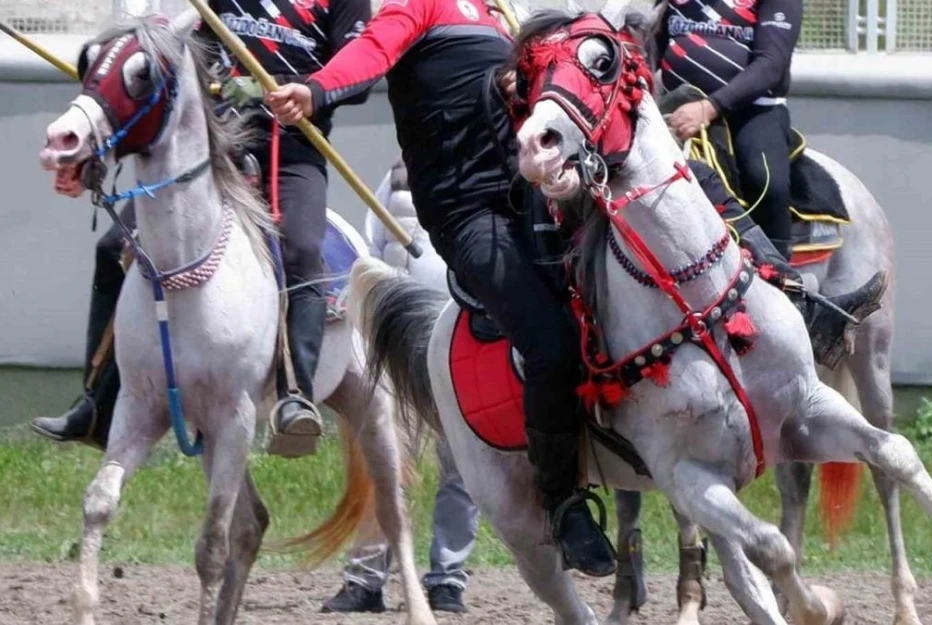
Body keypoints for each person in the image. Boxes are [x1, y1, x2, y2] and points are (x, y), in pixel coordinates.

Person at [263, 0, 618, 578]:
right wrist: (315, 89)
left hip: (542, 197)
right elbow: (370, 53)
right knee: (552, 342)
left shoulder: (504, 12)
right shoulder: (416, 7)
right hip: (468, 214)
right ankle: (563, 502)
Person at [30, 0, 373, 457]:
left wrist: (310, 90)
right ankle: (97, 402)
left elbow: (361, 72)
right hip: (211, 150)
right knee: (114, 246)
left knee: (302, 251)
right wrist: (224, 86)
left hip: (290, 152)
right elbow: (178, 52)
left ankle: (295, 397)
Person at [650, 0, 888, 367]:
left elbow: (771, 65)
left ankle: (794, 304)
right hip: (672, 108)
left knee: (765, 181)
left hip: (753, 110)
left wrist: (710, 107)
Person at [323, 159, 479, 614]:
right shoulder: (393, 178)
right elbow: (371, 253)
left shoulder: (486, 167)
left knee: (461, 464)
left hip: (460, 341)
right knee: (383, 459)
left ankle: (448, 577)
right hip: (394, 344)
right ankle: (366, 578)